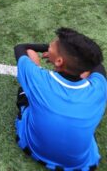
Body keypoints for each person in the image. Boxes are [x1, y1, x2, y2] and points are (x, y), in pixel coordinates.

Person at [14, 28, 106, 170]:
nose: (49, 45)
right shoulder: (100, 87)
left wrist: (39, 59)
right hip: (80, 164)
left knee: (26, 85)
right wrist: (56, 55)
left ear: (59, 61)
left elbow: (21, 48)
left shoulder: (39, 79)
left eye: (52, 45)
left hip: (34, 149)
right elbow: (96, 65)